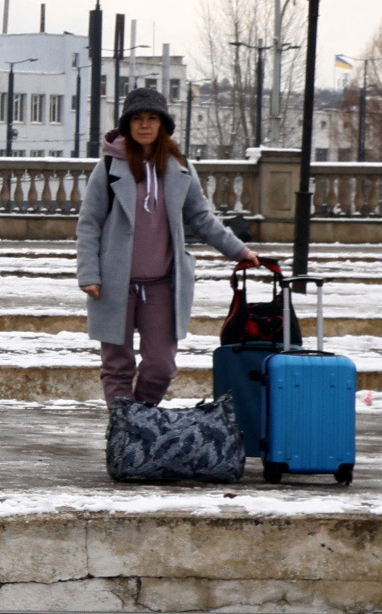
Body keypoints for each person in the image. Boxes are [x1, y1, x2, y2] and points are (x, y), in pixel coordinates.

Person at [77, 86, 268, 426]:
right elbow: (89, 223)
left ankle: (137, 422)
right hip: (114, 283)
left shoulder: (179, 167)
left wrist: (239, 251)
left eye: (152, 118)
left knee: (161, 367)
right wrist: (89, 274)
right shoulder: (108, 167)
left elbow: (202, 218)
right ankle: (126, 432)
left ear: (163, 123)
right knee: (117, 366)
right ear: (127, 125)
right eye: (137, 119)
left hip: (164, 283)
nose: (145, 125)